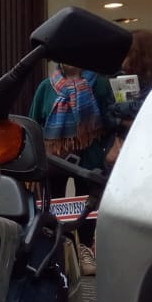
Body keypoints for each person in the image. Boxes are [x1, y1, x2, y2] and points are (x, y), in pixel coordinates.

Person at [29, 63, 115, 275]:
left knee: (87, 206)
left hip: (89, 159)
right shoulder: (46, 87)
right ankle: (59, 253)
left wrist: (105, 151)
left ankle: (85, 250)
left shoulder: (100, 84)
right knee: (54, 206)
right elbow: (33, 122)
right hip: (54, 161)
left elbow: (110, 120)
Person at [105, 30, 152, 169]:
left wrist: (126, 115)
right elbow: (114, 112)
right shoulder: (125, 78)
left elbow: (146, 110)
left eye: (128, 54)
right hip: (124, 149)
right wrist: (125, 118)